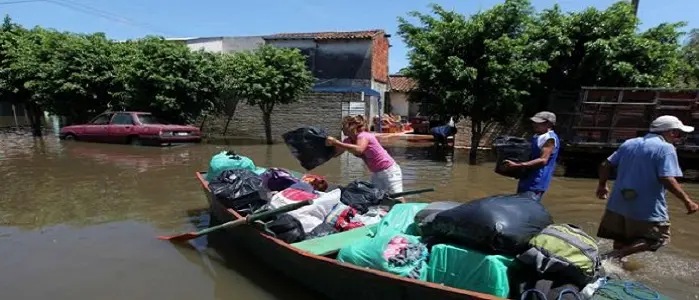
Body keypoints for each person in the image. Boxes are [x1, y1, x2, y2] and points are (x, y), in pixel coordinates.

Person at [596, 115, 698, 260]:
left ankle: (614, 265)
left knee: (620, 237)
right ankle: (614, 256)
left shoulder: (629, 143)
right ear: (670, 132)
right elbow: (667, 178)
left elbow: (605, 165)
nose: (678, 138)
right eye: (678, 134)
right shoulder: (666, 148)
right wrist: (688, 201)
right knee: (658, 239)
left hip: (618, 202)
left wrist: (602, 186)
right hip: (645, 207)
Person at [326, 115, 404, 194]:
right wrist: (328, 145)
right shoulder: (348, 140)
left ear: (352, 126)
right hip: (376, 173)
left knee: (396, 196)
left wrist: (336, 142)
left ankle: (403, 206)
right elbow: (335, 154)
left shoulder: (364, 135)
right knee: (378, 197)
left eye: (344, 126)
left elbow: (359, 150)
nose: (342, 129)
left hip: (389, 170)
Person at [504, 111, 560, 201]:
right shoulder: (537, 135)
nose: (535, 124)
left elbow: (543, 160)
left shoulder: (549, 139)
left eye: (538, 123)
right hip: (527, 178)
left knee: (527, 206)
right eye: (534, 122)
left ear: (549, 124)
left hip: (536, 181)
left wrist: (518, 165)